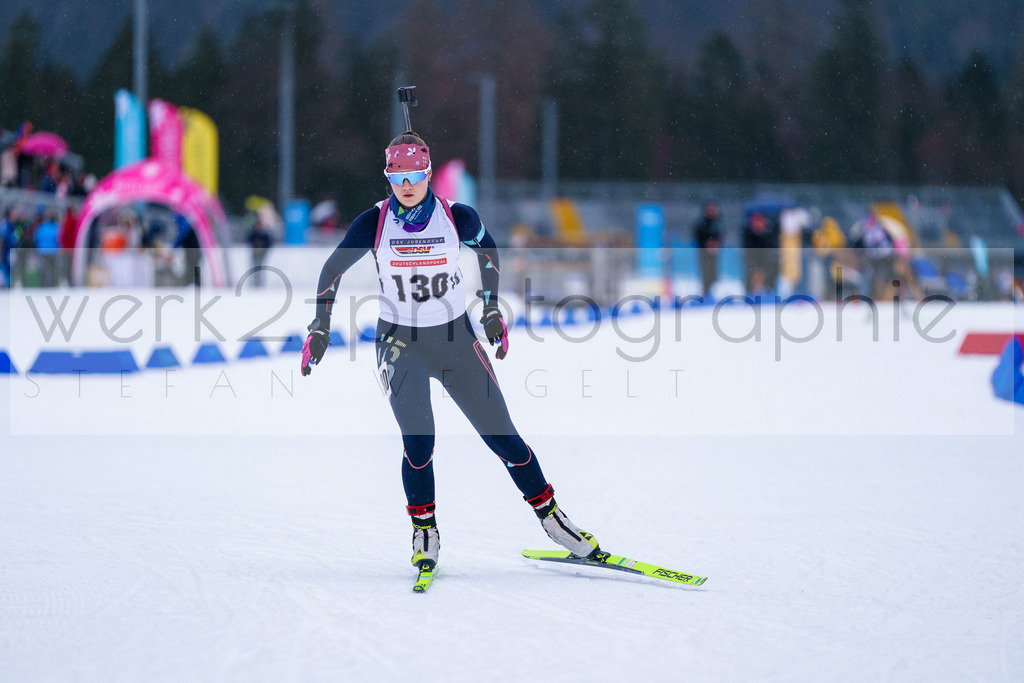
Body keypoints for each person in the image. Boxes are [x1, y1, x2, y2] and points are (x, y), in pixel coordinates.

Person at [301, 131, 602, 573]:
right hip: (400, 342)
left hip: (455, 339)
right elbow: (332, 270)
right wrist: (320, 327)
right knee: (419, 440)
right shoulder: (374, 222)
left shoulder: (456, 216)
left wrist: (493, 310)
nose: (407, 185)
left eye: (416, 175)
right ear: (388, 177)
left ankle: (554, 520)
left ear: (428, 174)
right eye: (397, 176)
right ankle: (425, 531)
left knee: (503, 436)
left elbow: (489, 253)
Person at [693, 202, 721, 297]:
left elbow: (721, 236)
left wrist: (716, 244)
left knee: (714, 273)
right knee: (705, 273)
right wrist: (707, 244)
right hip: (704, 253)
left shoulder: (718, 223)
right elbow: (697, 236)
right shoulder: (702, 223)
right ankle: (705, 293)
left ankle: (710, 292)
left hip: (714, 253)